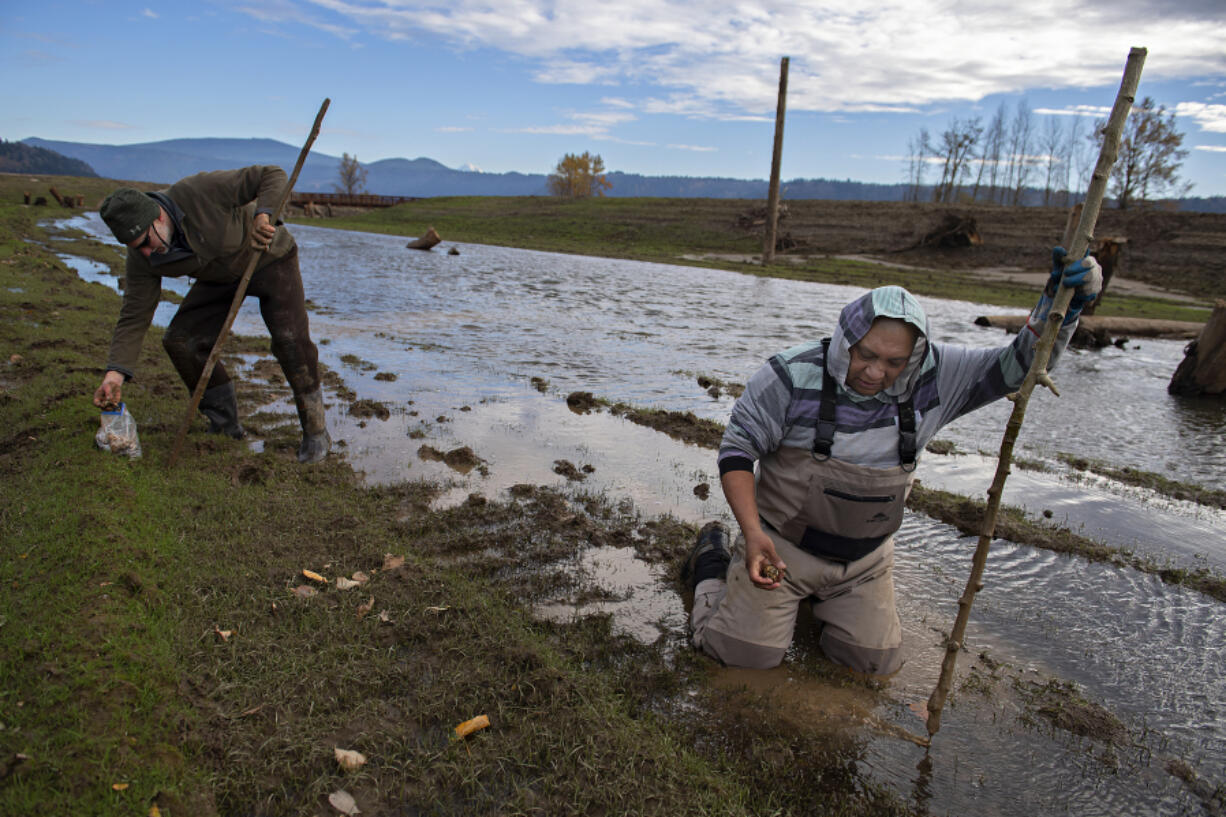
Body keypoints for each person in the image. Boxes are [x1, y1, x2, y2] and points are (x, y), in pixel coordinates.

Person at [683, 249, 1102, 676]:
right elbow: (737, 450)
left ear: (913, 358)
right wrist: (752, 534)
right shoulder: (790, 375)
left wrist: (1059, 309)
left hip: (865, 564)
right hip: (782, 550)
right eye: (865, 355)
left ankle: (820, 606)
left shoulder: (935, 377)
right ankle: (711, 562)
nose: (874, 372)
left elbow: (1019, 368)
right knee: (742, 657)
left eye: (893, 363)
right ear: (846, 339)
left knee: (874, 665)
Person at [92, 166, 330, 463]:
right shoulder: (144, 257)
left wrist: (263, 216)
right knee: (181, 341)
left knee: (291, 342)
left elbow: (271, 175)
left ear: (159, 218)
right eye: (134, 248)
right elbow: (134, 314)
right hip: (220, 277)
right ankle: (225, 426)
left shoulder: (198, 192)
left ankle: (316, 432)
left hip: (269, 258)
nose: (145, 254)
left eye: (145, 242)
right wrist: (115, 373)